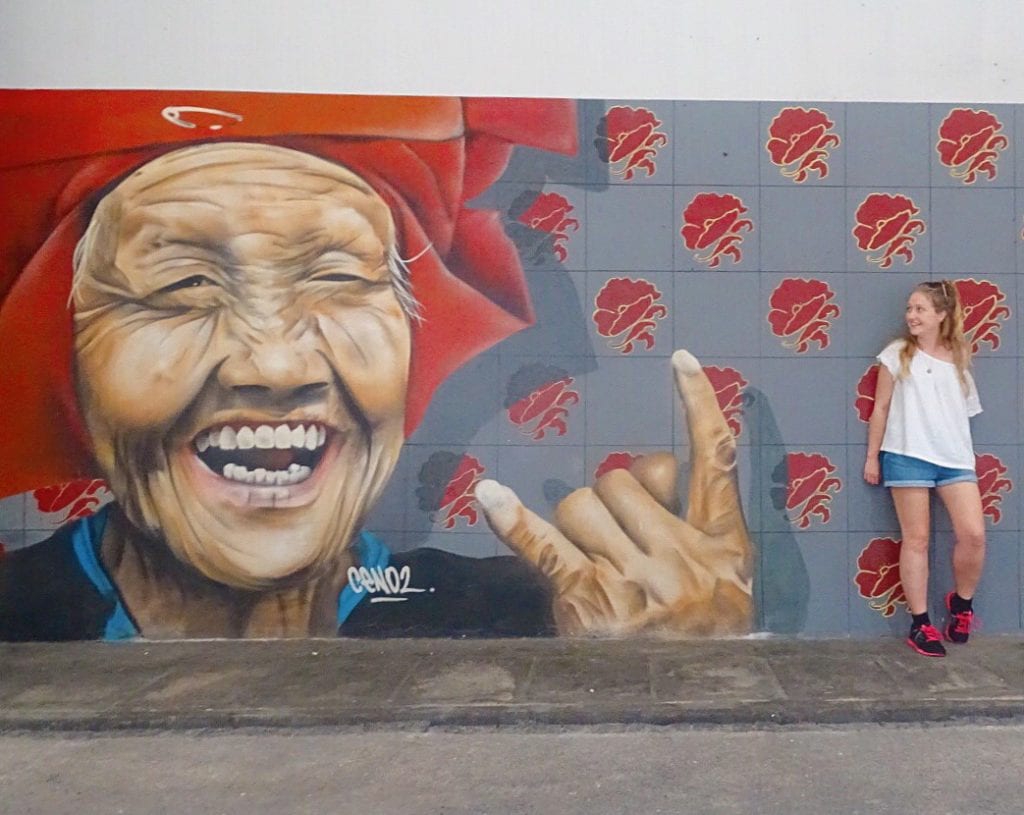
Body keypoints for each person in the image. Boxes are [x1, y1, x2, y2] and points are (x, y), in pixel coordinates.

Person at [0, 90, 754, 641]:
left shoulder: (537, 622)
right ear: (70, 351)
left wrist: (683, 672)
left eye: (336, 277)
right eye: (183, 285)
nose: (275, 361)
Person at [863, 280, 985, 657]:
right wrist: (873, 456)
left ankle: (961, 606)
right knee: (916, 540)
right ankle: (921, 624)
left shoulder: (960, 356)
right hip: (906, 455)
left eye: (920, 309)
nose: (911, 316)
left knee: (974, 536)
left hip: (954, 459)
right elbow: (880, 408)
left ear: (941, 315)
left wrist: (961, 453)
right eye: (910, 309)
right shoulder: (897, 353)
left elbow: (963, 413)